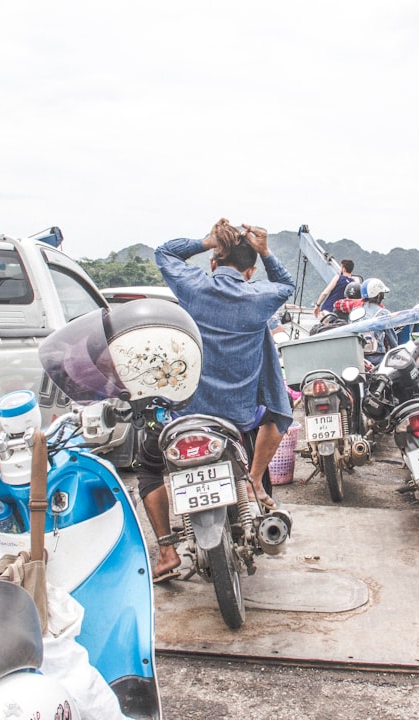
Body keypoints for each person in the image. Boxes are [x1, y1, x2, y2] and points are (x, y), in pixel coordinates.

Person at [138, 218, 296, 581]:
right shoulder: (260, 298)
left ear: (213, 262)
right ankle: (255, 481)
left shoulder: (194, 288)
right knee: (277, 411)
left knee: (147, 466)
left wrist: (206, 240)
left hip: (185, 416)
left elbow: (164, 252)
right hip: (236, 419)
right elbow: (285, 284)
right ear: (251, 271)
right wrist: (267, 252)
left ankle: (165, 552)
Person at [359, 277, 397, 366]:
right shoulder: (383, 313)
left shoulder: (356, 312)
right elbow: (392, 341)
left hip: (359, 358)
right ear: (378, 295)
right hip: (377, 358)